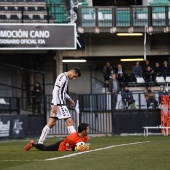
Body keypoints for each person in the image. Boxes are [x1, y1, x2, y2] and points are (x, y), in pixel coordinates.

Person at [38, 67, 81, 144]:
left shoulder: (66, 78)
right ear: (72, 71)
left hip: (58, 103)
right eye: (74, 76)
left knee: (51, 123)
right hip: (59, 104)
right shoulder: (62, 77)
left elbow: (62, 91)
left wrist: (69, 99)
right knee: (70, 122)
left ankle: (40, 142)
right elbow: (55, 90)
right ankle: (76, 142)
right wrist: (55, 104)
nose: (74, 78)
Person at [24, 123, 89, 151]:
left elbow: (78, 145)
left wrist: (82, 147)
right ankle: (33, 144)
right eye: (87, 129)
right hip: (61, 146)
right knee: (45, 148)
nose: (89, 130)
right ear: (83, 131)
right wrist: (77, 149)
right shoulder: (71, 138)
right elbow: (67, 149)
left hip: (67, 144)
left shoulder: (85, 137)